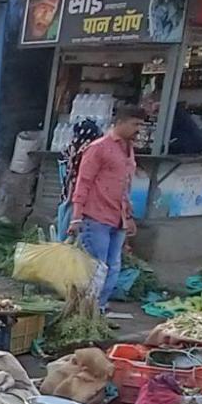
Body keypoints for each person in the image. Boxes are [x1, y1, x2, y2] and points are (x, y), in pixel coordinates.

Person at [67, 104, 142, 311]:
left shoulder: (128, 149)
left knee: (113, 266)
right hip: (96, 217)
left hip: (117, 218)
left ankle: (98, 309)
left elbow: (125, 185)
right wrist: (76, 217)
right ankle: (85, 310)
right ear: (120, 123)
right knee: (96, 267)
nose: (138, 129)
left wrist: (128, 216)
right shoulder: (98, 148)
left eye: (140, 125)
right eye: (135, 124)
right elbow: (83, 183)